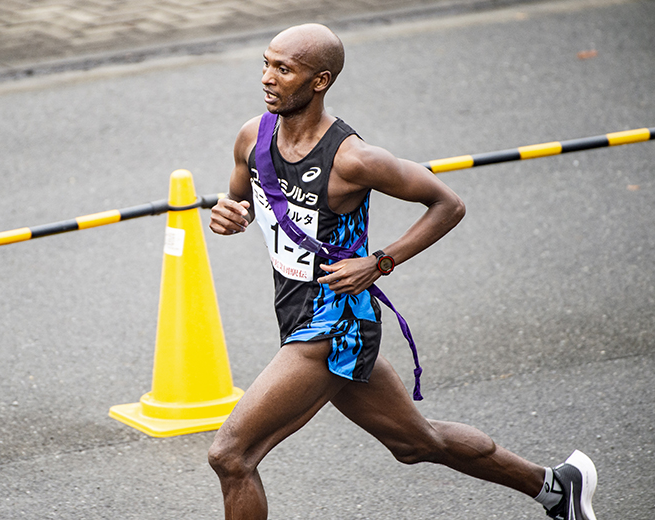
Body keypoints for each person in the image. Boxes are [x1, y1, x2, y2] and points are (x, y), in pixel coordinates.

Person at [207, 23, 597, 520]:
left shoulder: (353, 159)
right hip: (294, 312)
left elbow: (446, 204)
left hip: (335, 326)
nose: (268, 77)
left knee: (232, 457)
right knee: (415, 442)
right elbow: (237, 198)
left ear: (320, 81)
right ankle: (556, 487)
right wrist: (228, 214)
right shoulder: (253, 136)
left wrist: (380, 261)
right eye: (266, 63)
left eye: (284, 69)